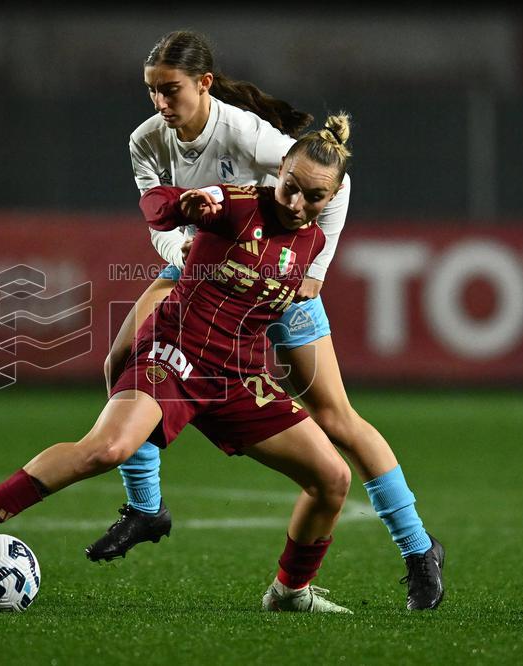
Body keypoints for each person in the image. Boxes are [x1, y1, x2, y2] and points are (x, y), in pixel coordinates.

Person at [0, 122, 361, 613]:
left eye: (315, 196)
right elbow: (155, 206)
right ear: (278, 170)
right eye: (291, 187)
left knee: (333, 479)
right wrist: (185, 206)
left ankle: (289, 592)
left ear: (332, 196)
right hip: (173, 353)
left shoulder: (312, 243)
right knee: (108, 447)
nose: (298, 203)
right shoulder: (238, 204)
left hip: (237, 376)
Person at [88, 29, 444, 611]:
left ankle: (417, 548)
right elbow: (158, 223)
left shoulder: (244, 132)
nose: (158, 102)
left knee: (337, 418)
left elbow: (335, 180)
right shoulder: (146, 140)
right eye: (151, 90)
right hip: (204, 275)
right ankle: (146, 508)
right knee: (120, 360)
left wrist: (317, 269)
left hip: (284, 280)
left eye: (169, 89)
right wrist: (183, 255)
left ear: (202, 84)